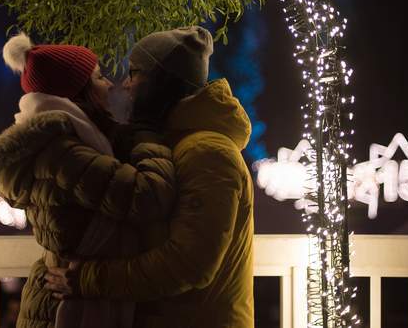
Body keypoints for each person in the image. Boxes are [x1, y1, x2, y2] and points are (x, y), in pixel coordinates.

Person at [45, 26, 255, 328]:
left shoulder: (208, 153)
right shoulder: (175, 143)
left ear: (163, 82)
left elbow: (188, 264)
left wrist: (87, 279)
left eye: (136, 73)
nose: (126, 85)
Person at [0, 33, 175, 328]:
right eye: (99, 78)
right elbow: (149, 197)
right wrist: (148, 138)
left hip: (57, 303)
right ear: (79, 92)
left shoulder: (55, 144)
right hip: (72, 308)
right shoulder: (64, 154)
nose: (110, 84)